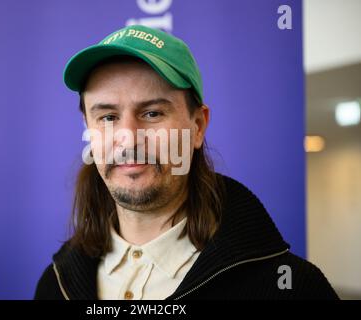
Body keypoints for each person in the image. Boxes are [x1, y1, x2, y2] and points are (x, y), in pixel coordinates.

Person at [34, 25, 338, 300]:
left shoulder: (290, 287)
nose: (127, 138)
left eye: (152, 113)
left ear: (197, 125)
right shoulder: (54, 284)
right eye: (108, 117)